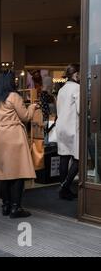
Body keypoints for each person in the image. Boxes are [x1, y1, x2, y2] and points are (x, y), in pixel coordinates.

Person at [0, 71, 38, 219]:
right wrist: (33, 107)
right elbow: (26, 117)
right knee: (18, 173)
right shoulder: (14, 97)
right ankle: (16, 208)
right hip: (13, 136)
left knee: (4, 174)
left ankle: (6, 205)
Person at [55, 64, 80, 200]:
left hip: (61, 126)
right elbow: (80, 110)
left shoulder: (62, 89)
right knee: (78, 158)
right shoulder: (77, 88)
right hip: (72, 127)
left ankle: (63, 188)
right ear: (76, 74)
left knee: (64, 158)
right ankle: (65, 186)